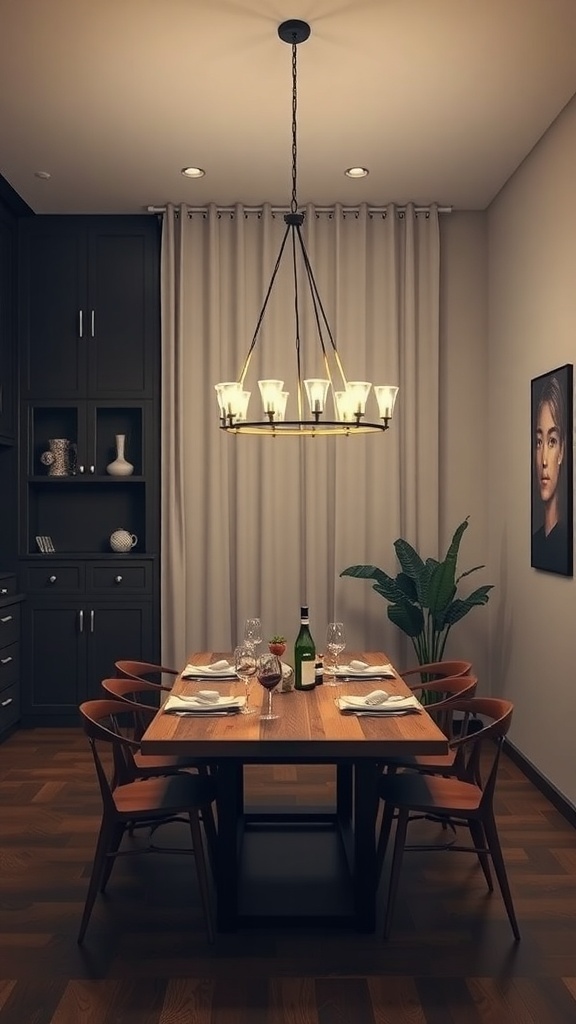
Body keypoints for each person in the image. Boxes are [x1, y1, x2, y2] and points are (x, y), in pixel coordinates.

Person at [531, 373, 571, 575]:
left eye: (552, 442)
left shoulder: (565, 539)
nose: (544, 460)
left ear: (562, 451)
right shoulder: (536, 541)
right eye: (539, 443)